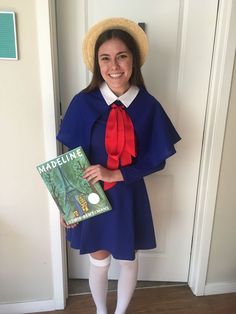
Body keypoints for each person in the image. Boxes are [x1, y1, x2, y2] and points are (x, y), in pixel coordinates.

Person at [57, 17, 181, 314]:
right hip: (90, 195)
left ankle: (121, 311)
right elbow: (70, 157)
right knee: (98, 260)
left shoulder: (148, 105)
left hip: (128, 196)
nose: (114, 65)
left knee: (128, 259)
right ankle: (101, 311)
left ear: (134, 61)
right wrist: (67, 204)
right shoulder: (82, 102)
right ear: (97, 64)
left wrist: (116, 172)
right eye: (106, 58)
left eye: (122, 56)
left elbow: (157, 158)